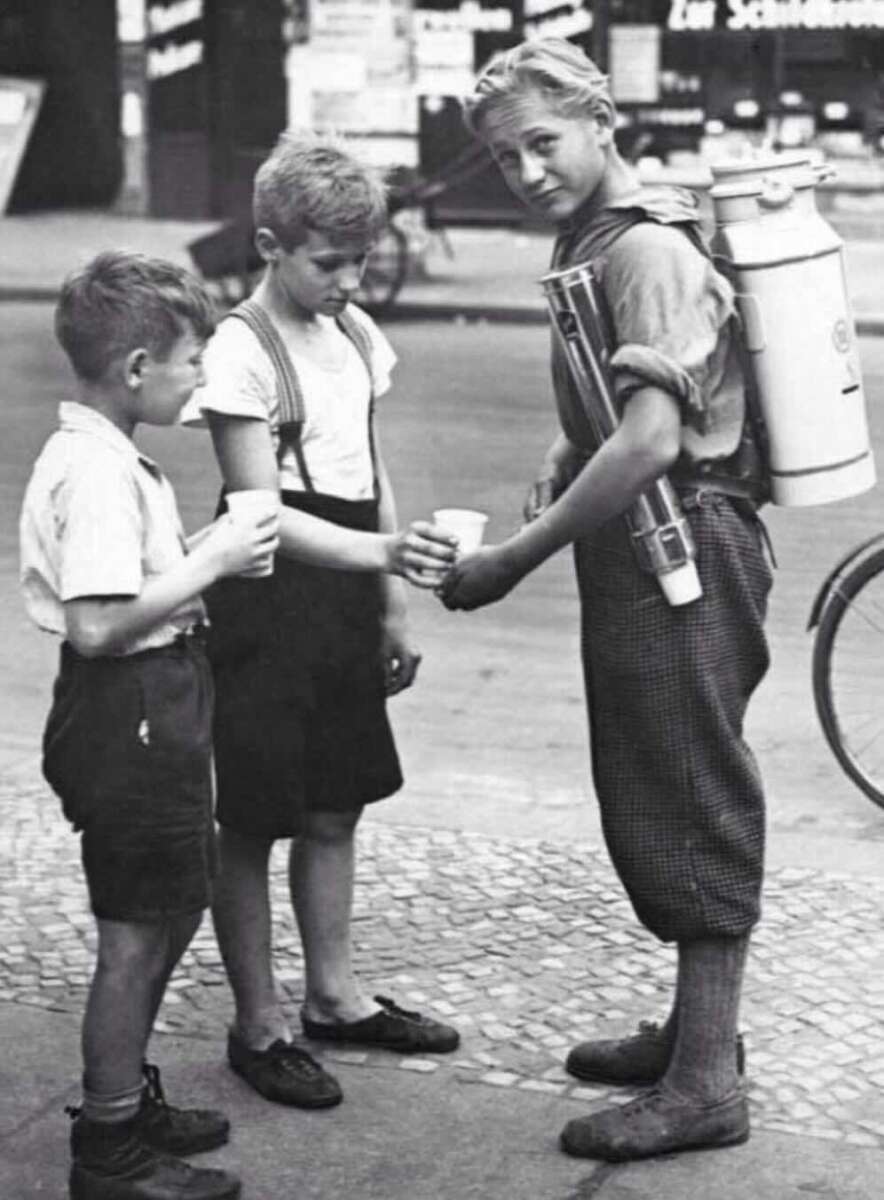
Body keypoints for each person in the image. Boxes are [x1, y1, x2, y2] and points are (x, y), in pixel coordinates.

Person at [443, 38, 773, 1161]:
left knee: (688, 790)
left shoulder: (643, 248)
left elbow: (646, 439)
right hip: (648, 543)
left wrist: (513, 557)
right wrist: (558, 439)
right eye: (502, 158)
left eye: (543, 142)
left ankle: (702, 1090)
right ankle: (698, 1039)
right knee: (654, 776)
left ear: (600, 121)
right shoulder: (596, 238)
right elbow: (616, 393)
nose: (526, 170)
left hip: (684, 543)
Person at [181, 130, 460, 1112]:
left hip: (342, 589)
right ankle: (259, 1023)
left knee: (334, 803)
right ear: (267, 244)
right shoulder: (237, 351)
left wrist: (387, 603)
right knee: (253, 814)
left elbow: (368, 466)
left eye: (361, 262)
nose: (348, 281)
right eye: (328, 262)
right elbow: (258, 510)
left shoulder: (350, 336)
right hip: (263, 594)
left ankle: (335, 996)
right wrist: (382, 557)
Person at [19, 251, 280, 1200]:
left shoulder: (106, 454)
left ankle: (123, 1093)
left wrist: (203, 555)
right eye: (192, 364)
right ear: (135, 369)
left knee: (170, 904)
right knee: (137, 931)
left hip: (153, 702)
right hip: (129, 709)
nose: (202, 383)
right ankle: (109, 1148)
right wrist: (212, 565)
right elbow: (96, 625)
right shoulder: (94, 471)